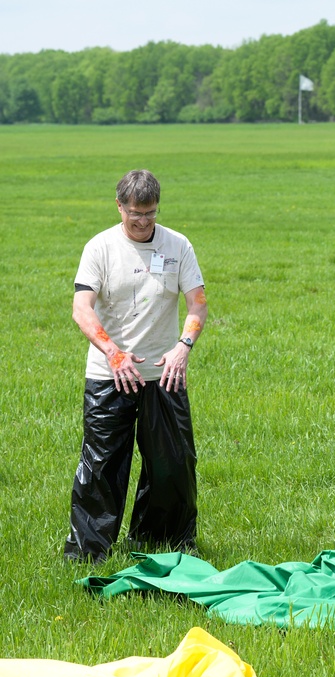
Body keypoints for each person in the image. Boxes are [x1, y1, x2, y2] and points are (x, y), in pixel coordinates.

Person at [64, 169, 208, 563]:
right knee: (101, 465)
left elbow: (197, 302)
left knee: (173, 464)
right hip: (110, 373)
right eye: (134, 213)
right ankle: (90, 552)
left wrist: (183, 346)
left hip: (164, 372)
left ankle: (161, 543)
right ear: (119, 206)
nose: (142, 221)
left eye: (150, 213)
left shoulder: (178, 245)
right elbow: (82, 308)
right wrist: (114, 353)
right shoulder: (101, 248)